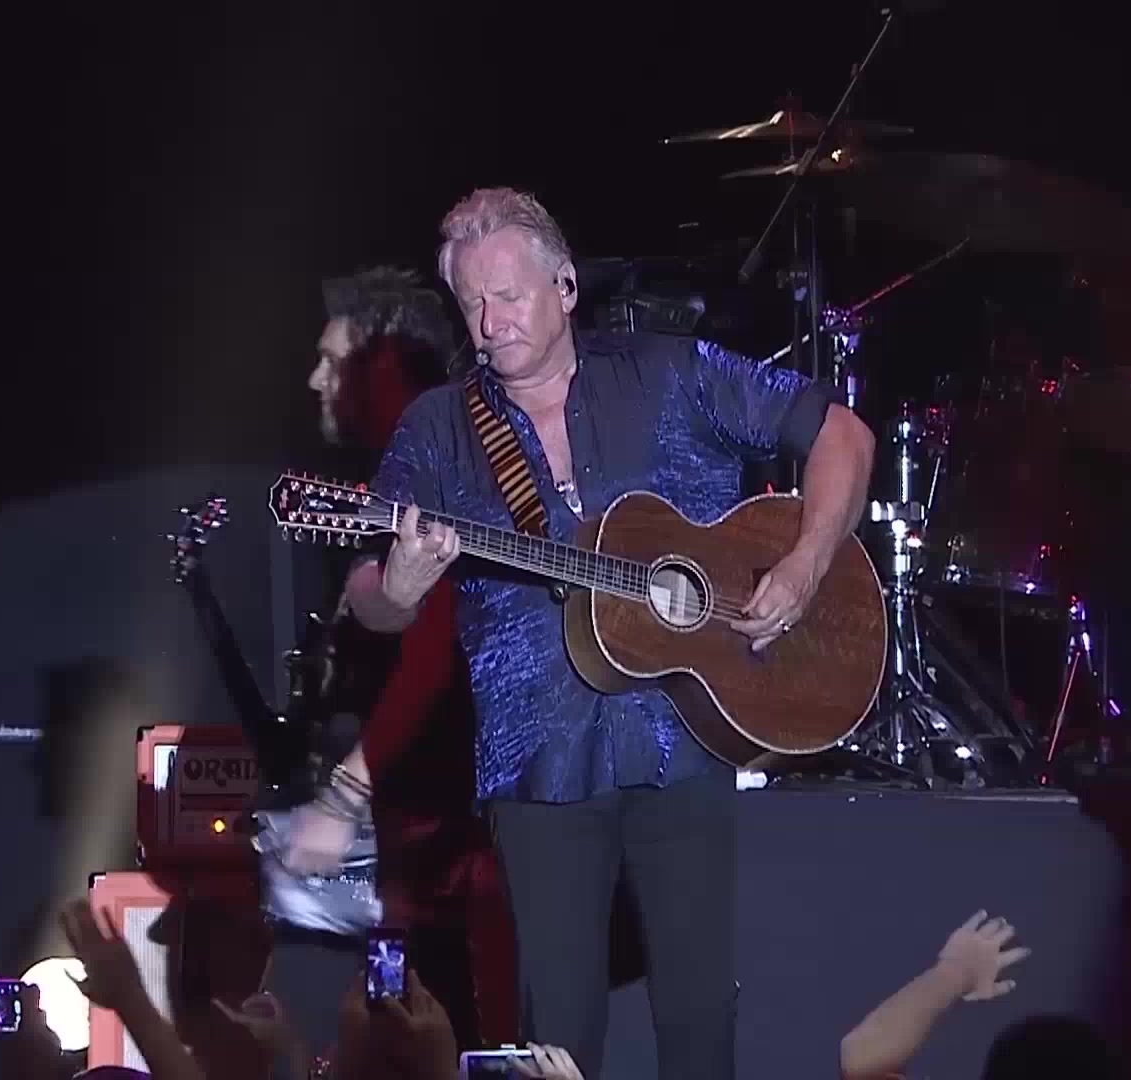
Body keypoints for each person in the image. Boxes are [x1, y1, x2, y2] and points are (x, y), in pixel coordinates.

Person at [290, 188, 876, 1079]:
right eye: (472, 305)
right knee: (556, 1032)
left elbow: (842, 434)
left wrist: (803, 563)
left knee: (700, 1019)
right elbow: (374, 594)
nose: (491, 323)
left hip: (688, 739)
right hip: (540, 762)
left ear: (564, 286)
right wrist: (398, 587)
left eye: (509, 296)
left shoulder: (673, 371)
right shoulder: (439, 426)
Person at [268, 266, 514, 1063]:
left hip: (461, 848)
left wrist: (344, 796)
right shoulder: (405, 477)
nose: (315, 379)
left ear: (380, 363)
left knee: (459, 1039)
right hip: (426, 845)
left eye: (330, 358)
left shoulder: (439, 465)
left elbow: (433, 653)